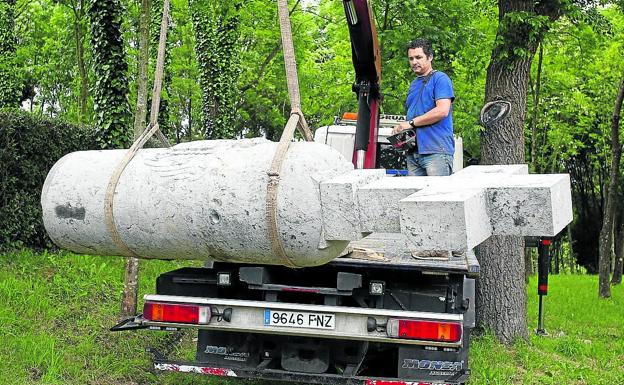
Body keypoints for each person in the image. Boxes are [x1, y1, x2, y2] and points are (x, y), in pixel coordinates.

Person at [392, 38, 455, 176]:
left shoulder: (440, 78)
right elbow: (413, 114)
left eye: (419, 57)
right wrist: (401, 128)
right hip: (413, 152)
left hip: (436, 151)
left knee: (435, 196)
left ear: (430, 57)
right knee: (415, 197)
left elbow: (442, 111)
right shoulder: (414, 84)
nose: (414, 62)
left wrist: (410, 123)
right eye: (411, 58)